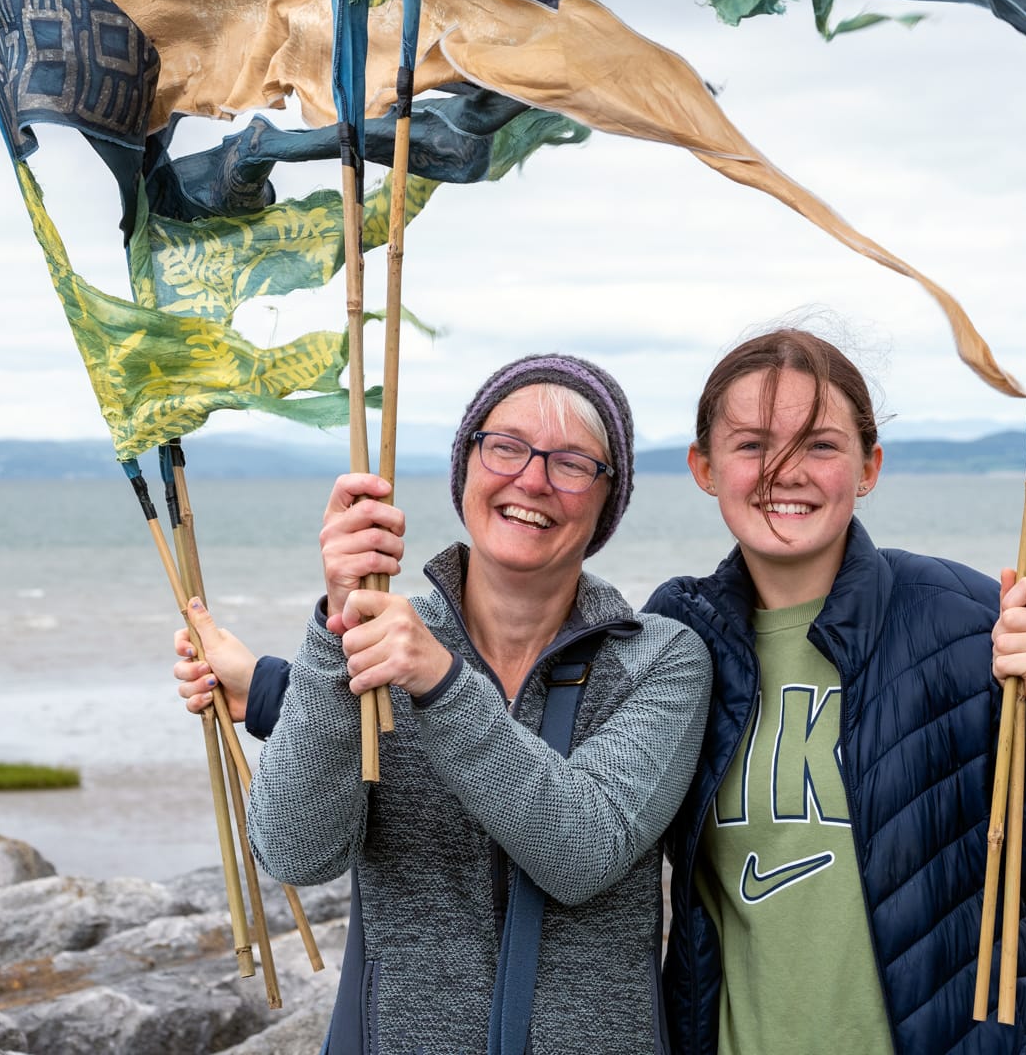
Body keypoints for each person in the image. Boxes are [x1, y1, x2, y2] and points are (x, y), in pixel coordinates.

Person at [177, 354, 712, 1055]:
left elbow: (582, 851)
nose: (532, 478)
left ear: (608, 499)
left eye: (573, 462)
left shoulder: (660, 660)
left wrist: (441, 682)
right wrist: (334, 629)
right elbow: (296, 850)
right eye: (506, 446)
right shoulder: (378, 639)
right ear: (466, 467)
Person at [647, 328, 1026, 1055]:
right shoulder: (677, 639)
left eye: (821, 445)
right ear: (703, 467)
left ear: (868, 467)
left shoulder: (967, 624)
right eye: (750, 445)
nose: (784, 469)